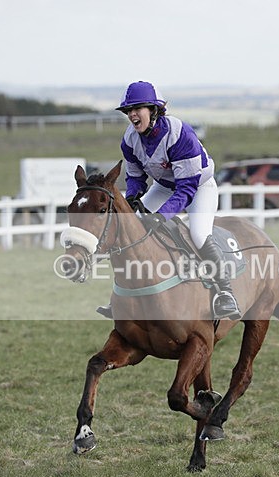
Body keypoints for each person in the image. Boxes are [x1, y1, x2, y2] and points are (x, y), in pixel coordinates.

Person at [96, 81, 241, 320]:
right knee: (130, 227)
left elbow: (186, 189)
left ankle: (226, 292)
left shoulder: (179, 134)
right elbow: (135, 177)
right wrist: (132, 199)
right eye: (129, 110)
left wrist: (160, 216)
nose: (132, 114)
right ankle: (121, 297)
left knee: (199, 234)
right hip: (163, 187)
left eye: (137, 108)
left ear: (154, 110)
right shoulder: (130, 140)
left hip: (198, 188)